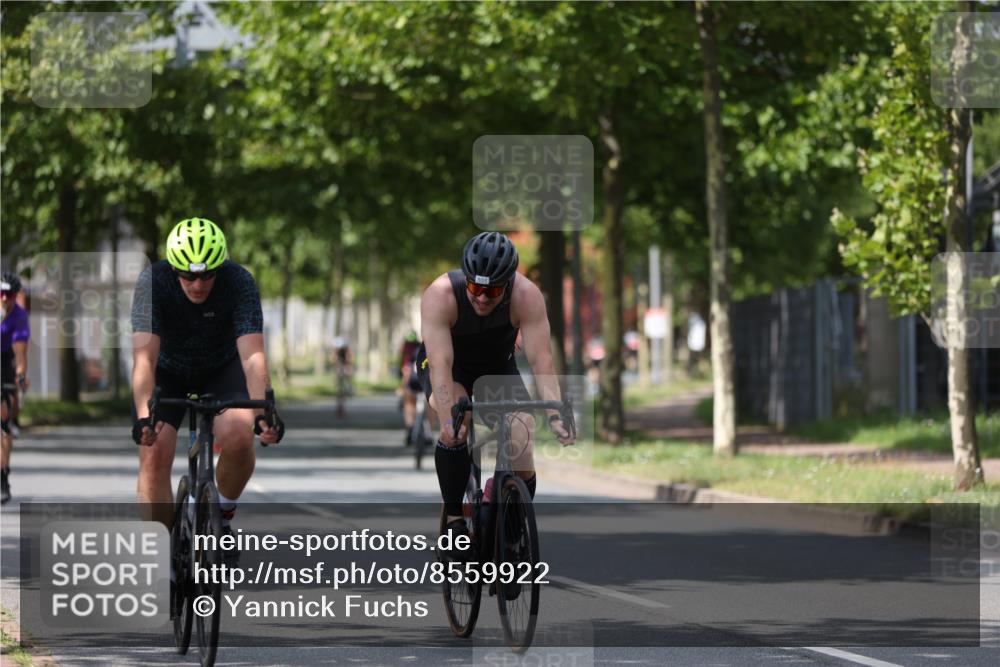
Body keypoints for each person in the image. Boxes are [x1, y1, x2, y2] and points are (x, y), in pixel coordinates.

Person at [130, 217, 284, 562]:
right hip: (167, 371)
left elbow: (253, 356)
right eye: (188, 276)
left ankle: (222, 517)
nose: (198, 284)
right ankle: (160, 554)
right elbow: (144, 360)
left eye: (207, 275)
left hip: (221, 368)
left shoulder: (239, 281)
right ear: (173, 268)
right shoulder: (152, 282)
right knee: (154, 452)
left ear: (220, 267)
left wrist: (264, 412)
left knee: (240, 437)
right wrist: (143, 417)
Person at [417, 231, 574, 556]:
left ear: (508, 283)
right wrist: (447, 421)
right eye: (476, 288)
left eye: (493, 291)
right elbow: (441, 366)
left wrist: (556, 415)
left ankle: (512, 528)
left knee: (522, 431)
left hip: (497, 368)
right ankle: (455, 521)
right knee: (457, 424)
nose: (483, 298)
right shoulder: (441, 294)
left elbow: (542, 360)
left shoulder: (526, 296)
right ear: (466, 279)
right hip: (450, 368)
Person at [1, 273, 30, 505]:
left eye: (9, 294)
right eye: (1, 294)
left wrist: (20, 375)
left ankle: (2, 475)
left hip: (4, 360)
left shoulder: (19, 316)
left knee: (3, 420)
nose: (4, 298)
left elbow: (20, 352)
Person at [399, 330, 422, 444]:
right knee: (430, 406)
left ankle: (410, 427)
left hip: (412, 382)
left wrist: (402, 387)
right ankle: (429, 432)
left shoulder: (406, 351)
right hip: (425, 382)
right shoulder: (422, 349)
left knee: (408, 404)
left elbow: (406, 371)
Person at [331, 336, 352, 417]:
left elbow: (347, 360)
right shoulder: (342, 351)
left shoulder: (344, 351)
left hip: (342, 371)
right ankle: (340, 408)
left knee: (341, 391)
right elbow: (335, 360)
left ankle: (341, 408)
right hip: (341, 371)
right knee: (341, 392)